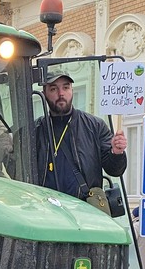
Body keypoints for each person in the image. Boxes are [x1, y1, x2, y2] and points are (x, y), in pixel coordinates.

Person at [36, 71, 127, 200]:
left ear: (72, 90)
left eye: (66, 88)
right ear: (44, 93)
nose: (61, 94)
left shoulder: (95, 126)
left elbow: (115, 170)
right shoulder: (35, 130)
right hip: (46, 209)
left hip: (83, 210)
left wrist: (116, 153)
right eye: (53, 89)